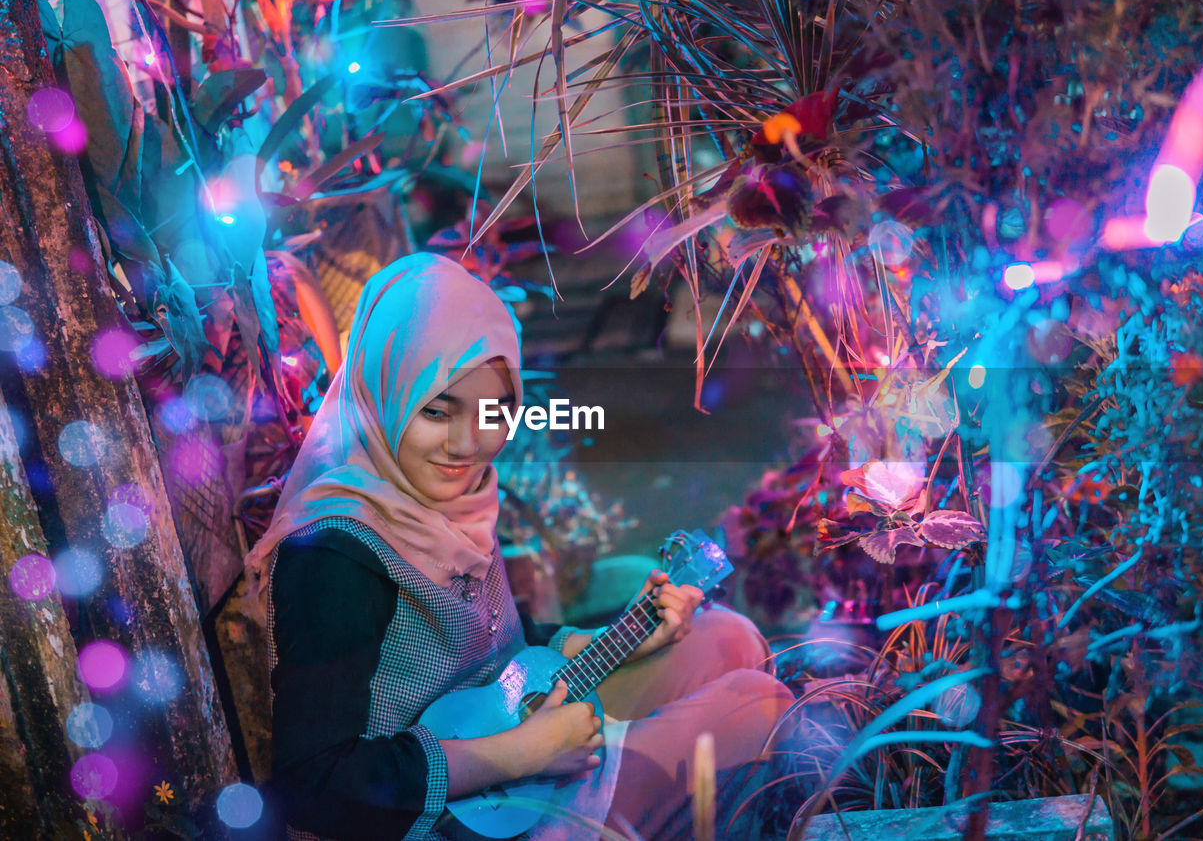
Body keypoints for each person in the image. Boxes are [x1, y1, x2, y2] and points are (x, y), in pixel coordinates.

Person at [245, 254, 793, 841]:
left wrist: (623, 639)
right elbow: (312, 786)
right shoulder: (336, 552)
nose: (466, 445)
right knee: (757, 706)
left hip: (517, 738)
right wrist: (519, 755)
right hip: (458, 821)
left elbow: (496, 648)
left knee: (728, 638)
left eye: (489, 412)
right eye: (435, 410)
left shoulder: (458, 500)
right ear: (384, 394)